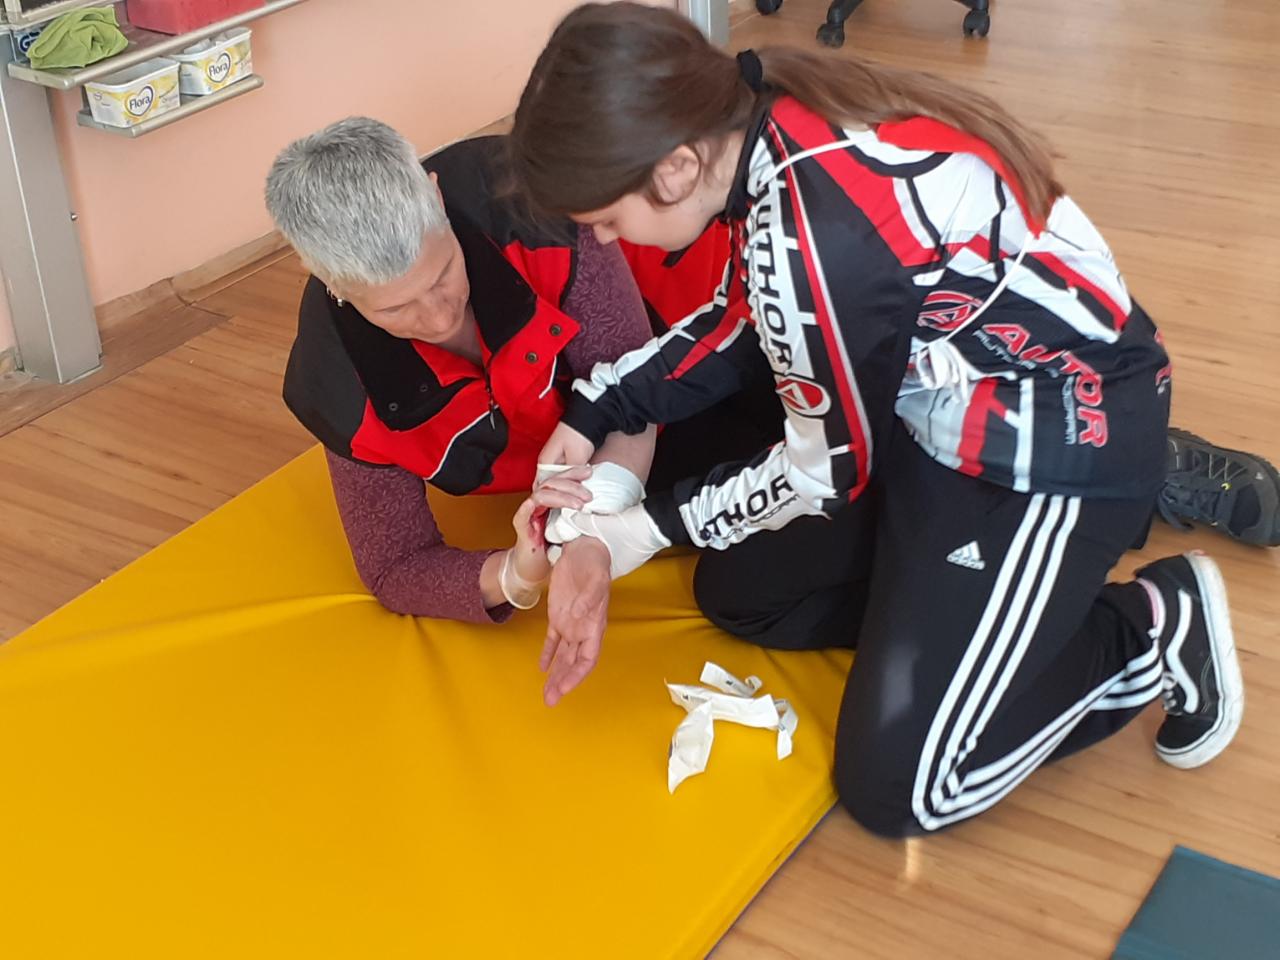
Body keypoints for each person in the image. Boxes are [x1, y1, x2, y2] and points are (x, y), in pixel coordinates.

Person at [507, 2, 1251, 836]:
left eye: (607, 220)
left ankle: (1152, 625)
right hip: (945, 413)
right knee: (740, 594)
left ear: (676, 167)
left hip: (1060, 450)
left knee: (906, 787)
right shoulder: (767, 126)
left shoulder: (817, 230)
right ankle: (968, 617)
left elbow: (821, 473)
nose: (609, 242)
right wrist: (599, 407)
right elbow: (741, 322)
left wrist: (637, 531)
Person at [265, 118, 655, 623]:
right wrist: (516, 573)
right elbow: (394, 566)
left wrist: (590, 530)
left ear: (437, 197)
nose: (439, 318)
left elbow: (637, 390)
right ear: (329, 283)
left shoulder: (539, 208)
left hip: (687, 369)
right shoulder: (335, 382)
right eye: (395, 309)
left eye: (443, 274)